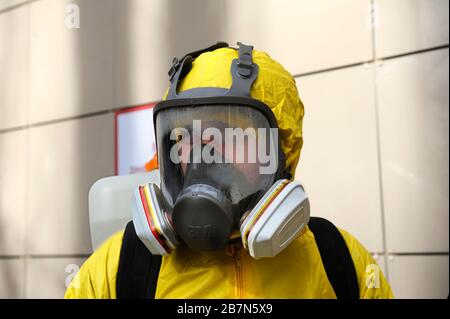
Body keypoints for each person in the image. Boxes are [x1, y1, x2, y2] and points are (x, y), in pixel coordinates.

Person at [65, 42, 393, 299]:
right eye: (184, 137)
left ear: (281, 149)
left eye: (222, 133)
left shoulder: (339, 260)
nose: (199, 154)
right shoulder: (120, 266)